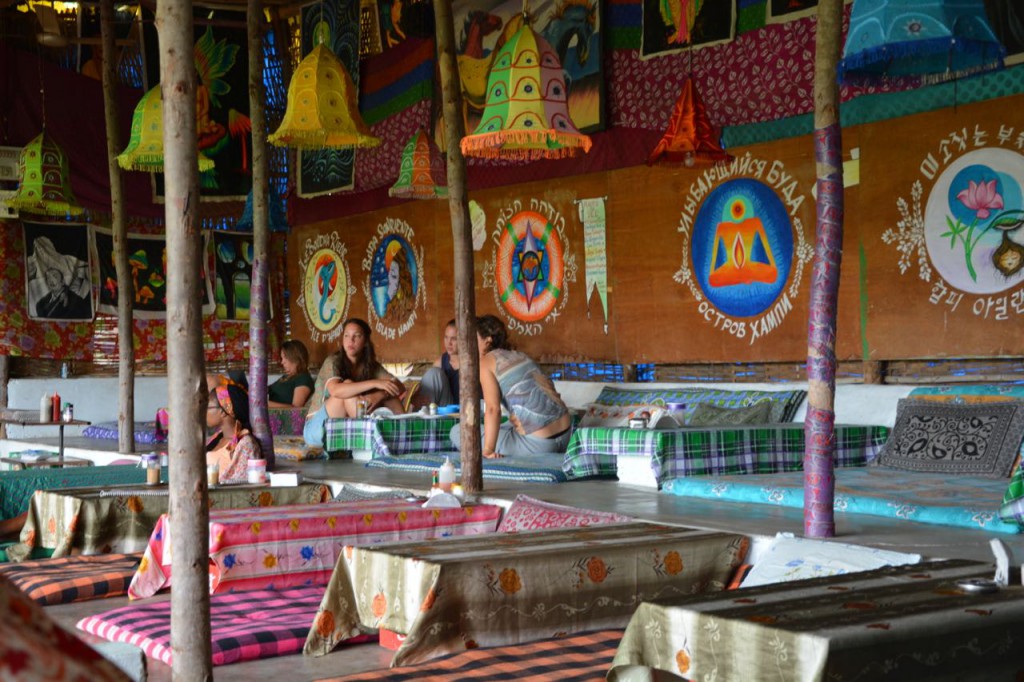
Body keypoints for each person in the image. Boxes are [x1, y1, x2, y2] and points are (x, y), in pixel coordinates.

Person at [450, 314, 571, 458]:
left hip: (538, 445)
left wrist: (488, 450)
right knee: (507, 423)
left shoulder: (485, 362)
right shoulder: (520, 355)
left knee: (458, 431)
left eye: (473, 339)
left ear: (488, 341)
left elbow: (493, 409)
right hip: (565, 435)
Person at [303, 318, 406, 448]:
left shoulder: (370, 365)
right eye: (346, 335)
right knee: (347, 385)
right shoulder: (333, 361)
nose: (350, 341)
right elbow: (336, 390)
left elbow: (399, 386)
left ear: (365, 342)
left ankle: (403, 435)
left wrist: (380, 395)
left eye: (356, 336)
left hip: (345, 427)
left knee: (390, 394)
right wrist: (375, 383)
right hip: (317, 429)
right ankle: (368, 439)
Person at [206, 380, 262, 485]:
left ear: (223, 411)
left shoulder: (246, 445)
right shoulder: (217, 437)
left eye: (208, 407)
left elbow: (242, 483)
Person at [417, 319, 460, 407]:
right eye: (446, 337)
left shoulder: (474, 362)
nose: (449, 343)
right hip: (447, 409)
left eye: (454, 339)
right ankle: (424, 418)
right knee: (433, 373)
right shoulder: (440, 362)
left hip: (469, 409)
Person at [268, 340, 315, 408]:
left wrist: (266, 404)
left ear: (295, 358)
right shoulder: (287, 377)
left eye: (285, 358)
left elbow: (296, 409)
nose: (282, 362)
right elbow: (269, 389)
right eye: (282, 358)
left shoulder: (303, 378)